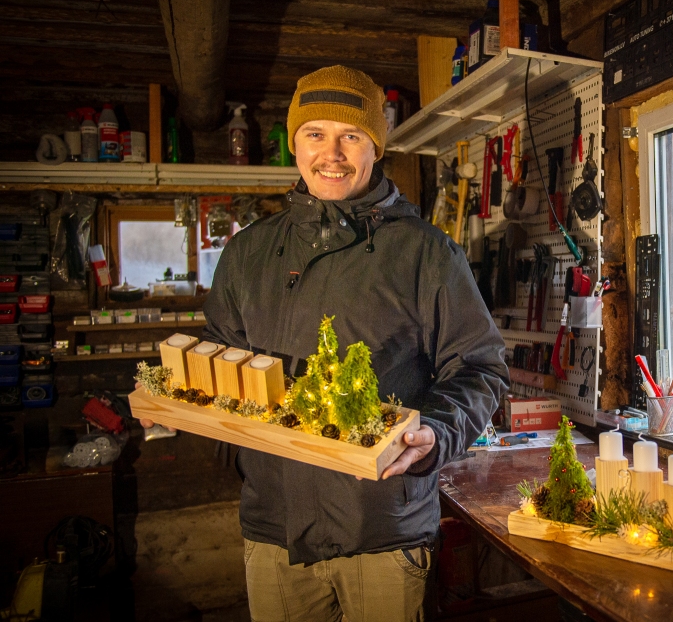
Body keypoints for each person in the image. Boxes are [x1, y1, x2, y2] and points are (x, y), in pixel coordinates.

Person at [141, 65, 508, 621]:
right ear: (295, 145)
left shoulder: (427, 253)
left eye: (350, 136)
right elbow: (223, 353)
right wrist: (192, 411)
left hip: (383, 525)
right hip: (276, 528)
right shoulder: (249, 253)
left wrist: (435, 431)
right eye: (315, 134)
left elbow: (480, 368)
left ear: (375, 148)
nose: (331, 154)